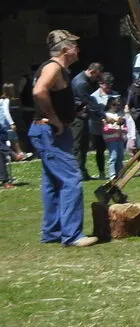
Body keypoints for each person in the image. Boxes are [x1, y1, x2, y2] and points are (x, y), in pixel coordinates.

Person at [29, 30, 97, 247]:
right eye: (75, 46)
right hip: (51, 132)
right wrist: (54, 118)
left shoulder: (58, 69)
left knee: (52, 183)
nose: (78, 49)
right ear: (66, 49)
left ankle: (52, 231)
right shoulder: (53, 67)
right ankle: (72, 235)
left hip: (49, 132)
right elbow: (39, 91)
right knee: (71, 179)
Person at [70, 62, 102, 180]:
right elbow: (88, 101)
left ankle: (83, 172)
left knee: (84, 145)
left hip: (83, 116)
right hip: (77, 118)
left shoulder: (82, 80)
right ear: (92, 72)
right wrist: (102, 113)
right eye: (97, 76)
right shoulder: (81, 83)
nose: (97, 79)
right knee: (77, 146)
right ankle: (78, 173)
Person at [88, 72, 115, 180]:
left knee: (114, 150)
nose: (109, 86)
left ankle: (115, 171)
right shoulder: (93, 97)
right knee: (100, 151)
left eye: (110, 84)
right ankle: (102, 172)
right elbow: (92, 113)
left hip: (112, 128)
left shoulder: (114, 94)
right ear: (100, 83)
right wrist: (102, 119)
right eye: (107, 84)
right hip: (98, 128)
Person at [1, 82, 29, 161]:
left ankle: (12, 155)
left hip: (2, 124)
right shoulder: (6, 100)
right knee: (13, 138)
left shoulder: (1, 100)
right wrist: (11, 123)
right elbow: (6, 112)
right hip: (6, 124)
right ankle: (19, 154)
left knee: (8, 139)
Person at [102, 95, 126, 180]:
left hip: (119, 138)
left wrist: (123, 130)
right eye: (114, 104)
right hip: (110, 139)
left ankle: (120, 173)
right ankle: (112, 175)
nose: (116, 106)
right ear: (109, 105)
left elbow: (125, 127)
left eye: (117, 105)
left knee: (120, 157)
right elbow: (105, 129)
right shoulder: (106, 115)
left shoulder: (118, 114)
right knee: (113, 157)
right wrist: (116, 131)